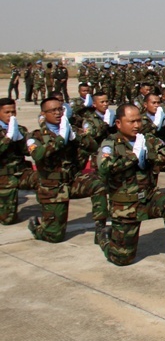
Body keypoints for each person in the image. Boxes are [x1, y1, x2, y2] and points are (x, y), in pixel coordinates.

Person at [96, 104, 165, 273]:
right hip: (125, 206)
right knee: (122, 259)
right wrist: (133, 157)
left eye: (139, 121)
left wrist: (149, 154)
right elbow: (104, 167)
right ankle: (104, 237)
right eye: (131, 121)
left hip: (148, 198)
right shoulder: (110, 143)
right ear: (118, 123)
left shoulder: (146, 139)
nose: (136, 125)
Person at [26, 97, 108, 243]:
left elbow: (93, 146)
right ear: (43, 114)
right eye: (53, 110)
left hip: (73, 181)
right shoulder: (35, 136)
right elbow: (38, 155)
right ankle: (37, 228)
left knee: (98, 185)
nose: (58, 113)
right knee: (55, 236)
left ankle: (100, 228)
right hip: (52, 186)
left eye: (60, 109)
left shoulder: (71, 130)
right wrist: (60, 139)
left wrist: (75, 137)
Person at [0, 98, 38, 224]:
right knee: (8, 220)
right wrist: (8, 138)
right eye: (7, 112)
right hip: (3, 177)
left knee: (45, 180)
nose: (11, 115)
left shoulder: (20, 129)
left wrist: (21, 139)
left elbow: (28, 152)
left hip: (21, 173)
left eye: (13, 112)